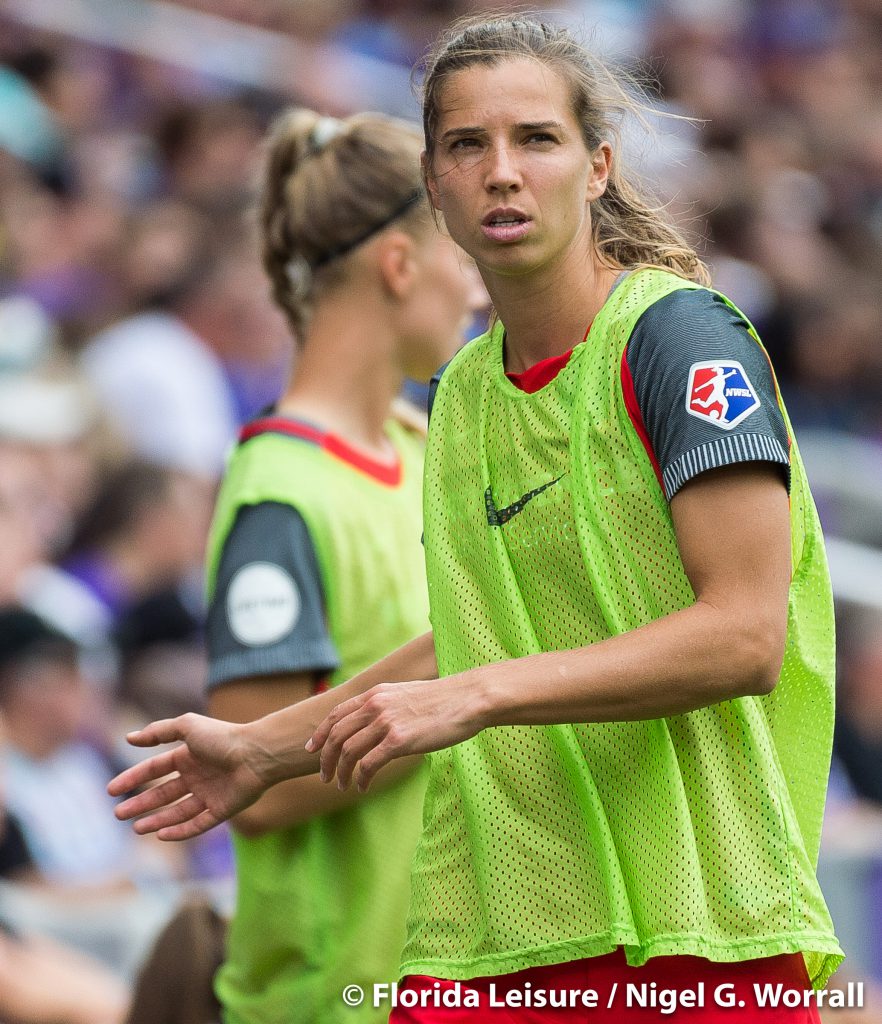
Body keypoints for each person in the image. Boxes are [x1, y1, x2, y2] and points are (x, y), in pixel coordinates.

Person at [110, 16, 842, 1023]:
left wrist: (478, 696)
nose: (502, 172)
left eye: (535, 139)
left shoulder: (679, 338)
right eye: (467, 146)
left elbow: (746, 635)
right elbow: (469, 641)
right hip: (489, 935)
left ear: (597, 166)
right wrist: (265, 747)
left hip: (692, 936)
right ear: (436, 184)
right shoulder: (459, 395)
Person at [161, 107, 480, 1024]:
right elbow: (255, 790)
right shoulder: (280, 492)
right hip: (333, 998)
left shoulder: (426, 450)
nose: (475, 289)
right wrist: (478, 657)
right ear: (399, 264)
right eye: (458, 254)